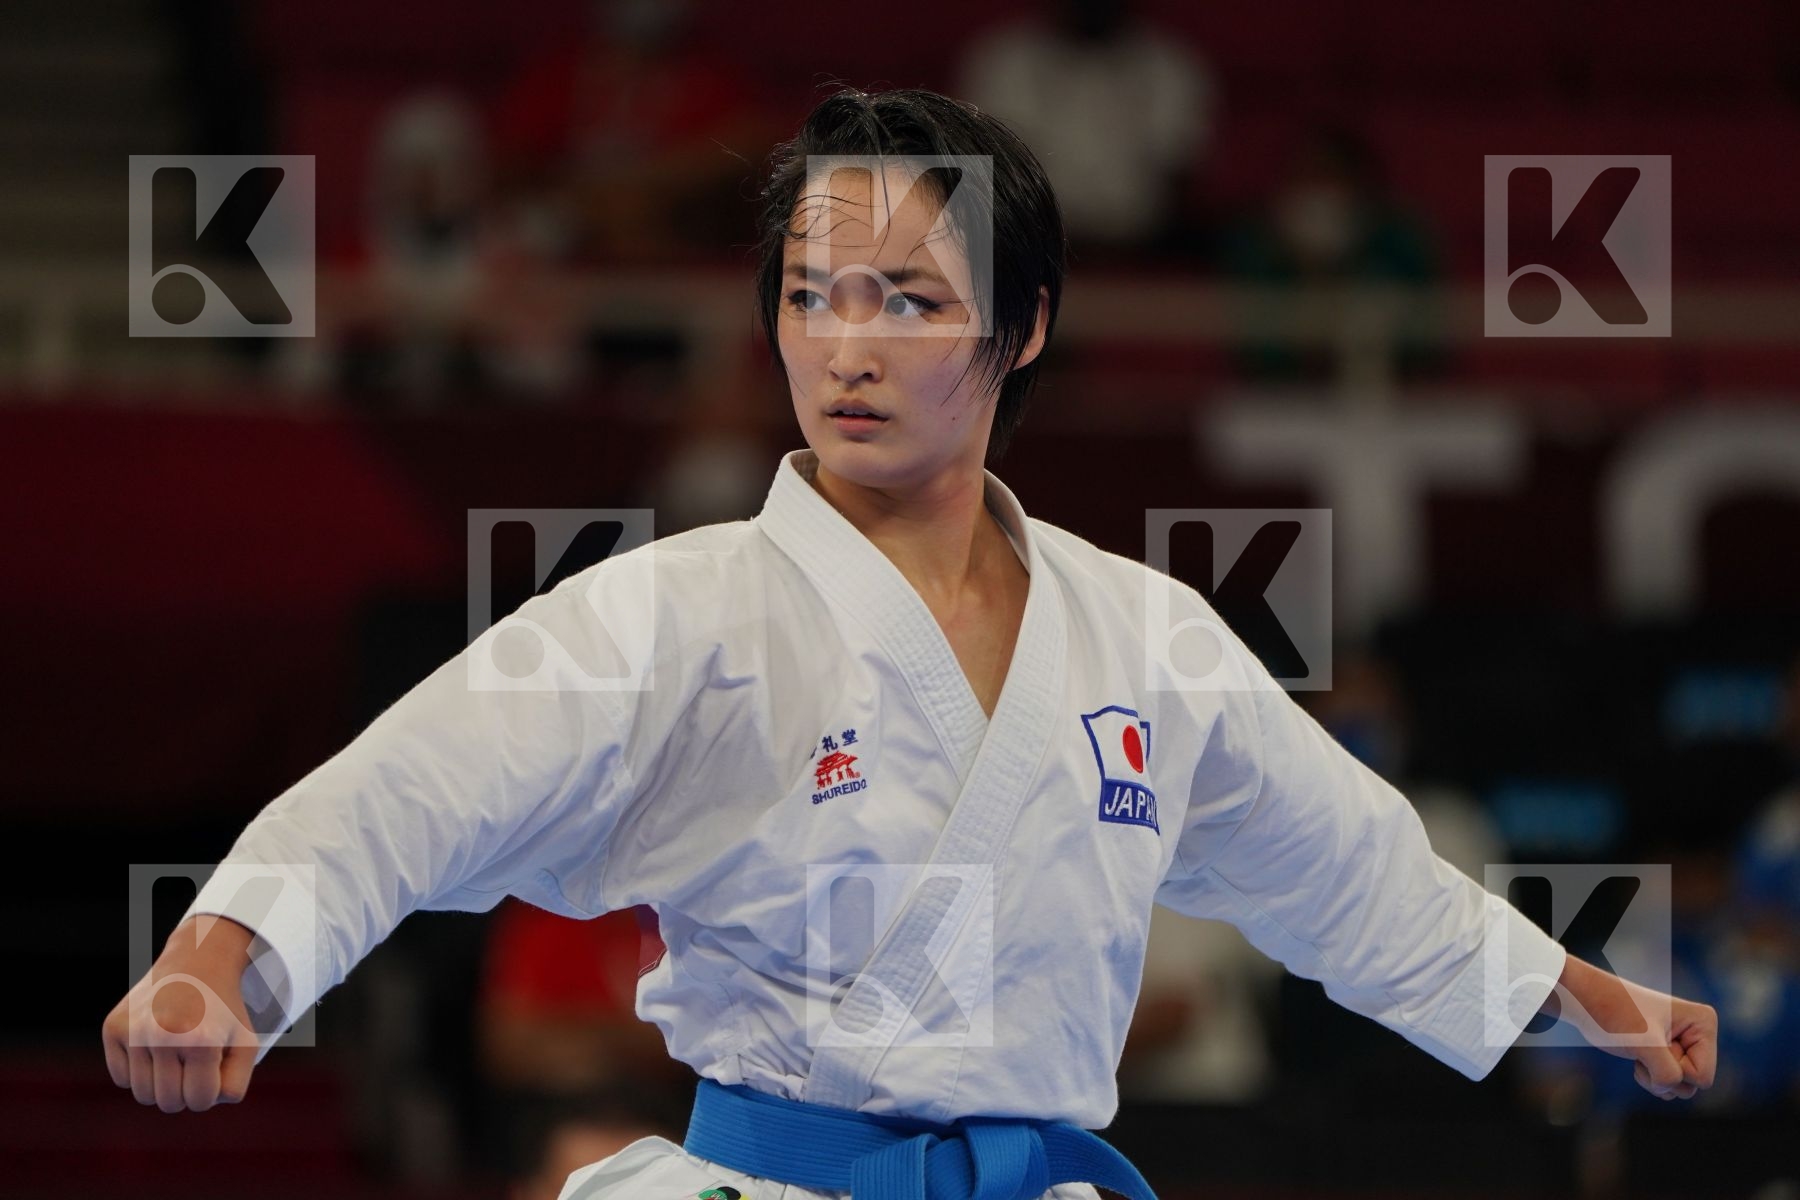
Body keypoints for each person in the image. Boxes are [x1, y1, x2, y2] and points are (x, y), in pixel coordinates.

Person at [102, 87, 1718, 1200]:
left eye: (909, 300)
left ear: (1022, 330)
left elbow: (1351, 873)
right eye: (813, 296)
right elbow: (408, 790)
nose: (847, 346)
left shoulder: (1143, 636)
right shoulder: (686, 608)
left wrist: (1588, 999)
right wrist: (215, 960)